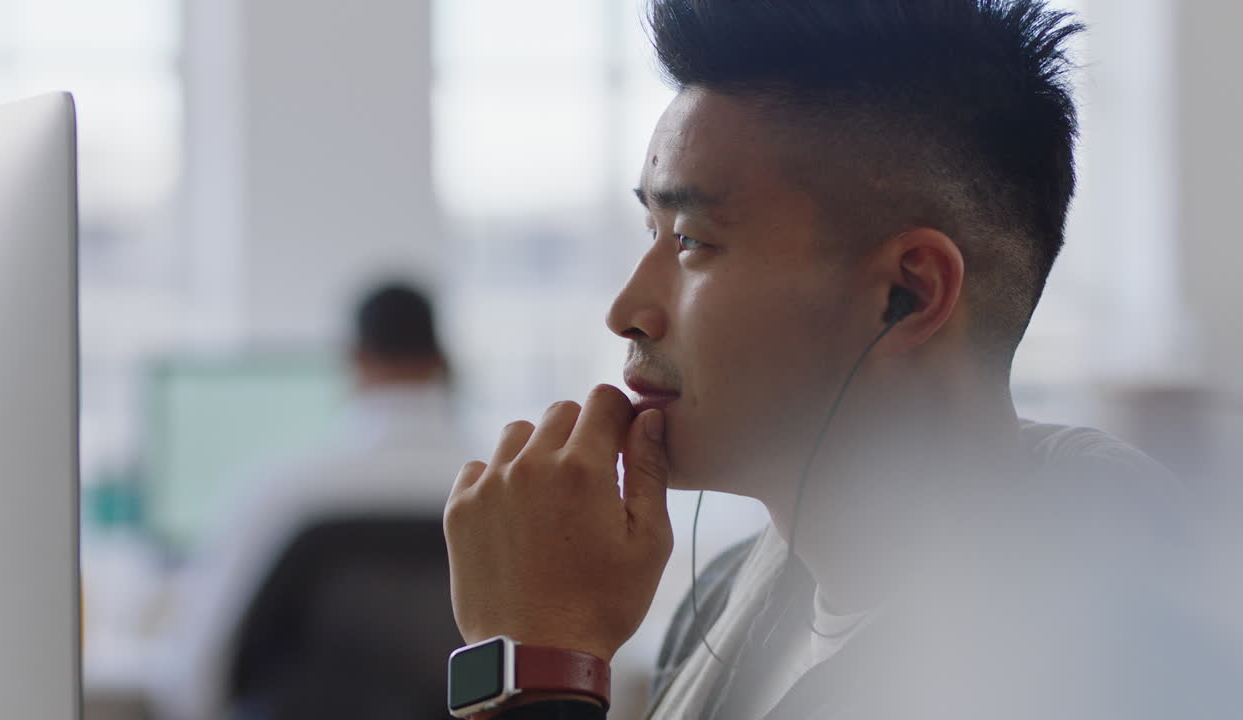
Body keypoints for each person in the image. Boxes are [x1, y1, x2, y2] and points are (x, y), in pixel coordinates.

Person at [442, 2, 1234, 719]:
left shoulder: (1089, 659)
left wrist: (540, 662)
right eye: (653, 232)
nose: (627, 310)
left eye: (692, 242)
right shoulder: (721, 603)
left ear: (908, 294)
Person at [150, 282, 468, 720]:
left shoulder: (282, 491)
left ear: (355, 360)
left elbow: (194, 684)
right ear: (444, 363)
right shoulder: (506, 493)